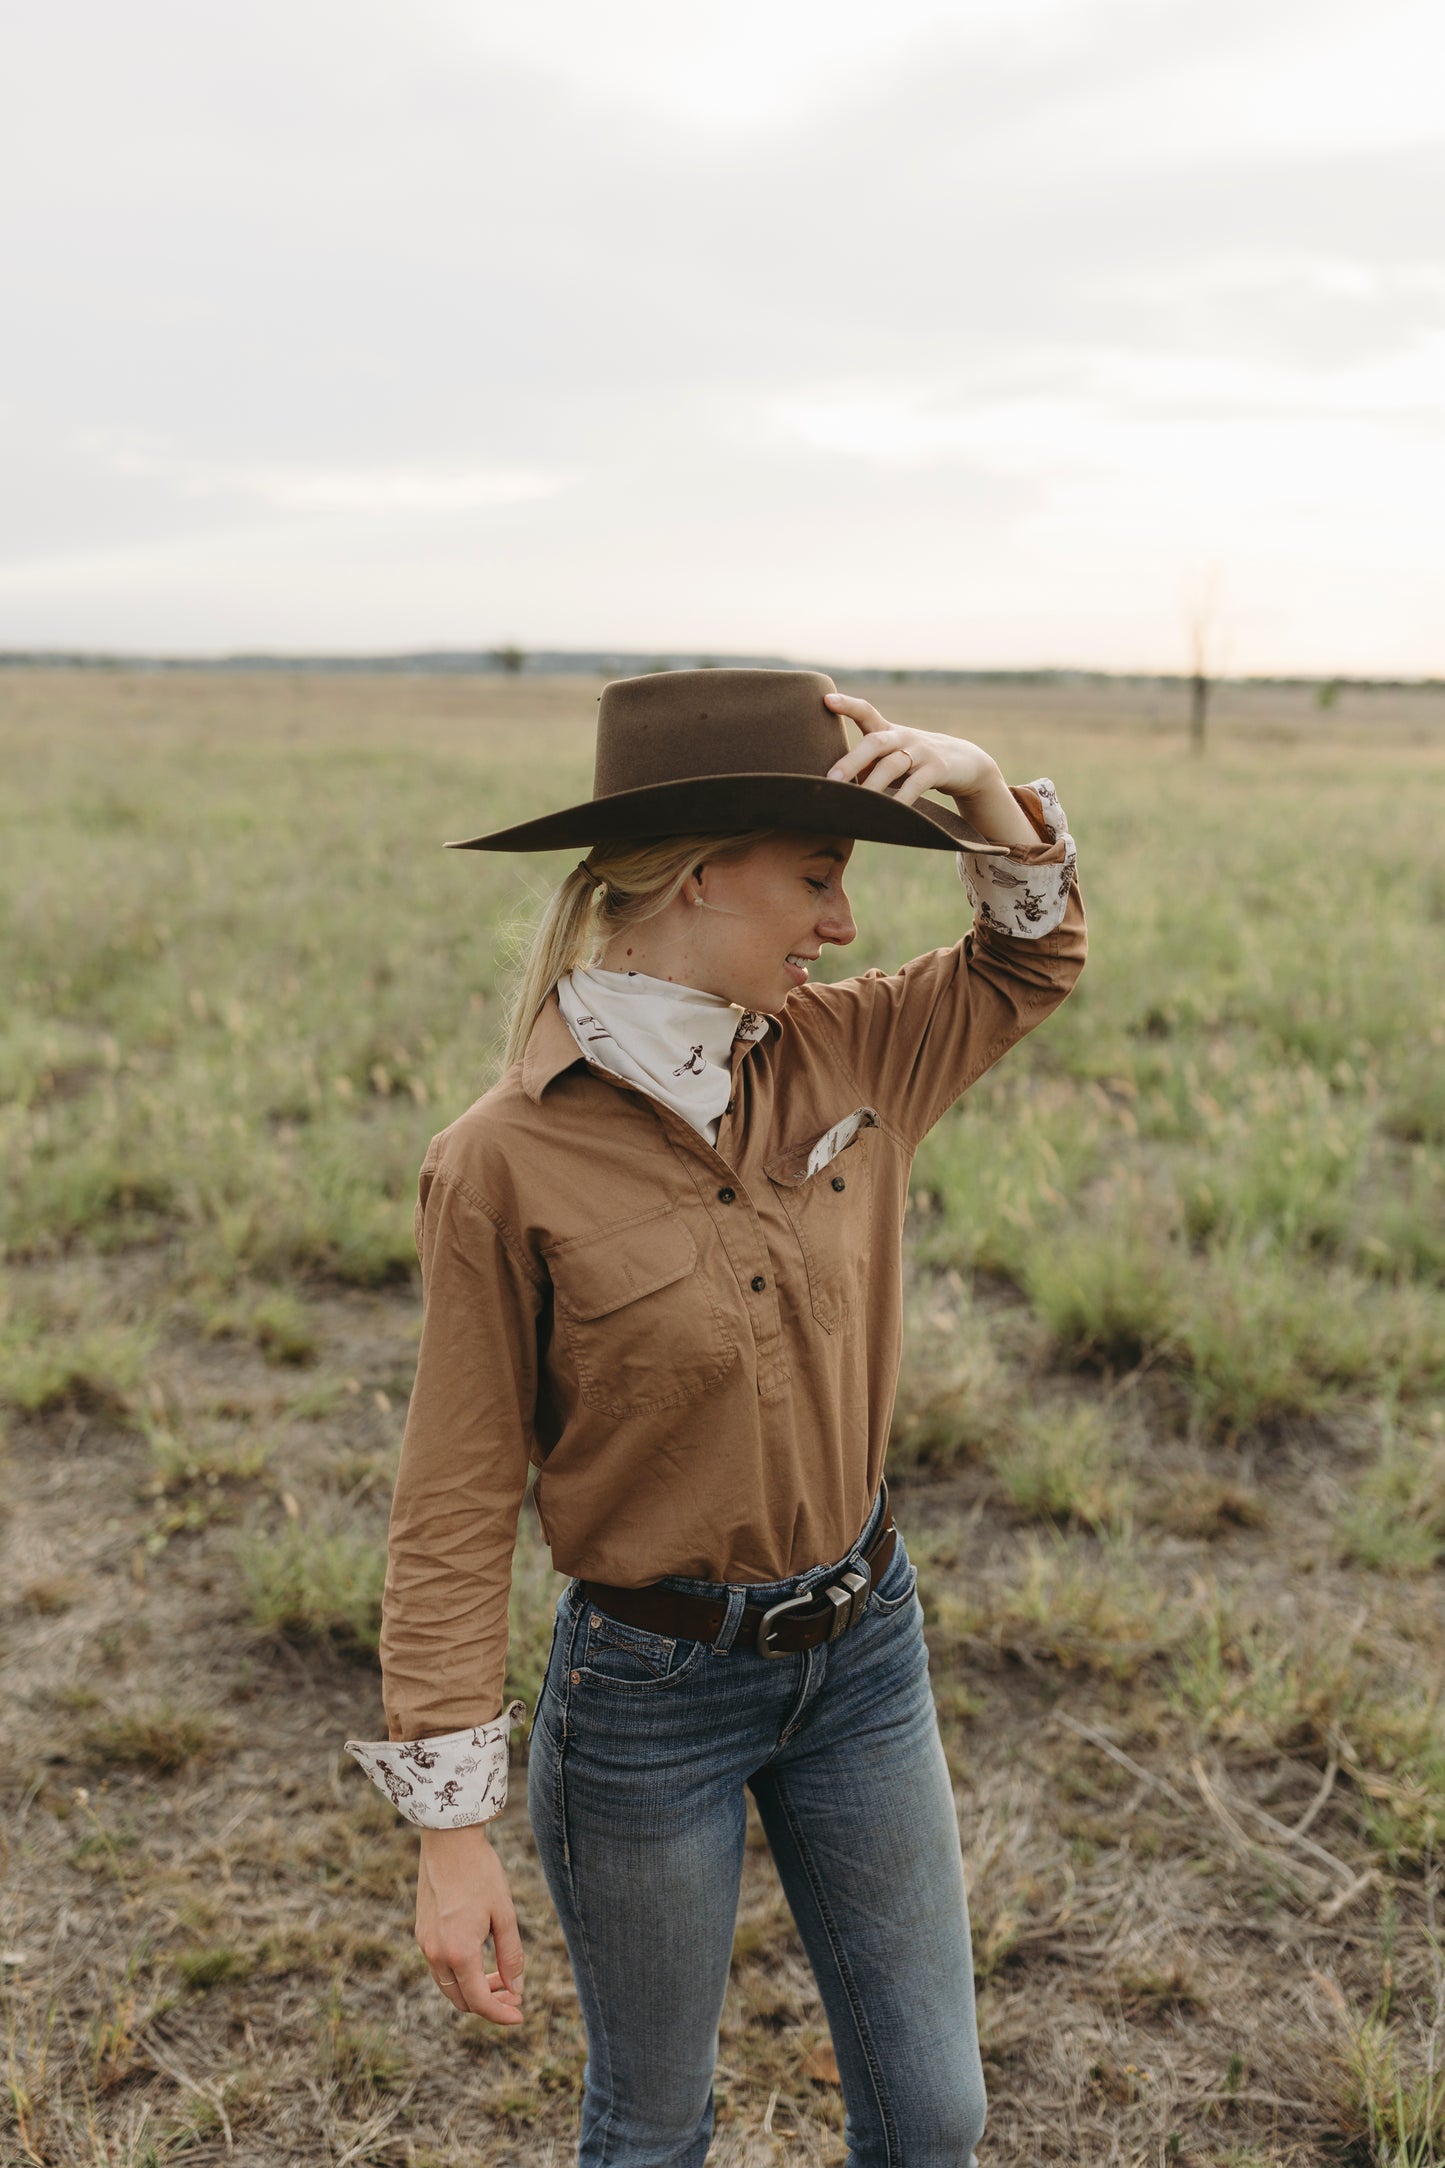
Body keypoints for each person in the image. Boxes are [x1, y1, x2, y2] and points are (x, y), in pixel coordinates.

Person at [346, 668, 1085, 2167]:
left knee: (934, 2116)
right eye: (817, 877)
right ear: (696, 878)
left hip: (866, 1657)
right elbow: (453, 1494)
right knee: (649, 2129)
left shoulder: (847, 1050)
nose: (842, 924)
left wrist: (988, 790)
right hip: (645, 1698)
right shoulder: (498, 1162)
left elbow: (1024, 964)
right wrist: (448, 1828)